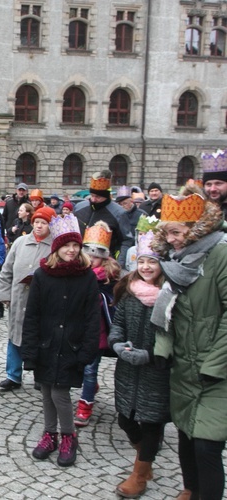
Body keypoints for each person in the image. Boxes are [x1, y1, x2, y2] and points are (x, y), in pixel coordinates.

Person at [149, 187, 227, 500]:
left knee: (207, 445)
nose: (170, 239)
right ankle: (190, 491)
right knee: (184, 434)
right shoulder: (177, 258)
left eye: (176, 232)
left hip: (216, 371)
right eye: (166, 233)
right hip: (184, 364)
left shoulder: (220, 254)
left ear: (196, 230)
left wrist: (214, 364)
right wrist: (162, 349)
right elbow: (170, 310)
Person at [21, 213, 100, 467]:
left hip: (71, 346)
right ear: (57, 247)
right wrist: (30, 350)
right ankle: (49, 434)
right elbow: (32, 315)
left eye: (76, 245)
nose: (72, 250)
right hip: (46, 344)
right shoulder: (43, 275)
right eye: (67, 245)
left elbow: (92, 318)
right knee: (46, 391)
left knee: (60, 393)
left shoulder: (86, 276)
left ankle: (68, 436)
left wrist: (87, 351)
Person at [107, 230, 169, 498]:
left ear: (162, 265)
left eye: (152, 262)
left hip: (157, 370)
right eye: (142, 261)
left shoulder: (171, 294)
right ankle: (145, 457)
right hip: (128, 368)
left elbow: (174, 335)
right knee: (125, 419)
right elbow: (118, 323)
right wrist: (117, 343)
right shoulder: (128, 291)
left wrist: (151, 355)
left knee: (152, 422)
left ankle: (140, 474)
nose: (146, 267)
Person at [0, 206, 55, 391]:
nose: (39, 226)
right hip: (18, 298)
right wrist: (4, 295)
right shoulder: (20, 242)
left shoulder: (55, 247)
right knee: (14, 336)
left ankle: (40, 375)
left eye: (43, 223)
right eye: (36, 222)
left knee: (40, 338)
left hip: (42, 303)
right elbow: (6, 270)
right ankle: (13, 375)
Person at [74, 221, 121, 427]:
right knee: (81, 367)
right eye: (89, 256)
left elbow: (111, 303)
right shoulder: (78, 273)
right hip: (79, 330)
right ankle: (90, 388)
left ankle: (85, 405)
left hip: (99, 332)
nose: (92, 260)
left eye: (96, 257)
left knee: (90, 370)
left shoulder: (109, 278)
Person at [74, 170, 134, 268]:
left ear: (106, 196)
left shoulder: (119, 213)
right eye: (92, 195)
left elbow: (126, 240)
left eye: (98, 197)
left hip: (103, 264)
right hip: (79, 260)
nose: (93, 199)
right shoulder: (79, 207)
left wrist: (118, 263)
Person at [201, 148, 227, 218]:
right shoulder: (199, 208)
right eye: (208, 184)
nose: (212, 189)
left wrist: (185, 229)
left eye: (218, 183)